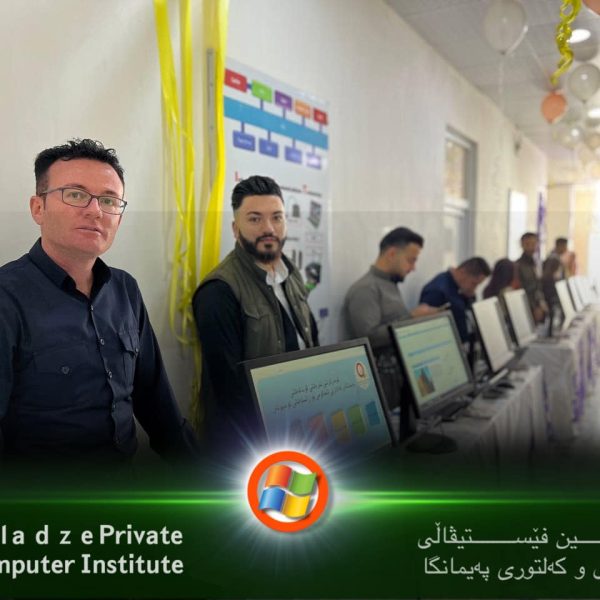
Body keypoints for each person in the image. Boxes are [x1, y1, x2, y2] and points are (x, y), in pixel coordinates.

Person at [0, 139, 197, 465]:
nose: (95, 211)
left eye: (109, 200)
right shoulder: (7, 296)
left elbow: (156, 401)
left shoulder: (125, 289)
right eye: (76, 195)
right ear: (38, 208)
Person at [192, 175, 318, 452]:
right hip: (249, 445)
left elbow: (311, 343)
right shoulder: (218, 291)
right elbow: (230, 391)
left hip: (300, 429)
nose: (268, 228)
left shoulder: (291, 274)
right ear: (235, 229)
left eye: (277, 217)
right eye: (255, 219)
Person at [343, 226, 436, 348]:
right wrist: (412, 317)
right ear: (392, 254)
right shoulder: (365, 289)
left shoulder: (390, 282)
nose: (413, 268)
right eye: (411, 261)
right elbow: (369, 339)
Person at [419, 257, 491, 343]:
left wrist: (470, 298)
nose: (474, 289)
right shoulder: (437, 291)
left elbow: (469, 316)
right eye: (474, 284)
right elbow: (428, 331)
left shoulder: (458, 288)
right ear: (463, 272)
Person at [516, 232, 546, 323]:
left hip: (537, 305)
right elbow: (523, 290)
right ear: (522, 245)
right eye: (527, 244)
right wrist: (534, 307)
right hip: (526, 308)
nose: (530, 247)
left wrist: (541, 303)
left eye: (533, 244)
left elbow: (538, 286)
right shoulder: (518, 265)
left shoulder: (536, 263)